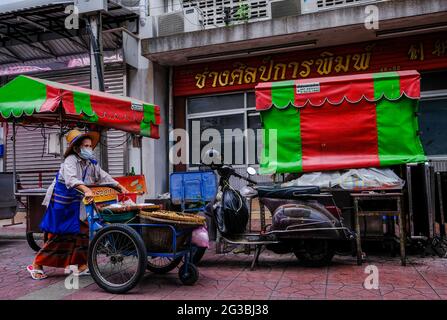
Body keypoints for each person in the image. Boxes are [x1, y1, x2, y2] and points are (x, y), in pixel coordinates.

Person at [27, 130, 128, 280]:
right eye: (85, 146)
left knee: (84, 230)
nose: (89, 148)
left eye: (90, 146)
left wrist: (119, 186)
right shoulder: (70, 161)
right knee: (61, 235)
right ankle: (36, 264)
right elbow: (71, 180)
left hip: (77, 202)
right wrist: (87, 189)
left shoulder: (91, 163)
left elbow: (103, 176)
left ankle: (79, 264)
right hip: (62, 202)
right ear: (76, 148)